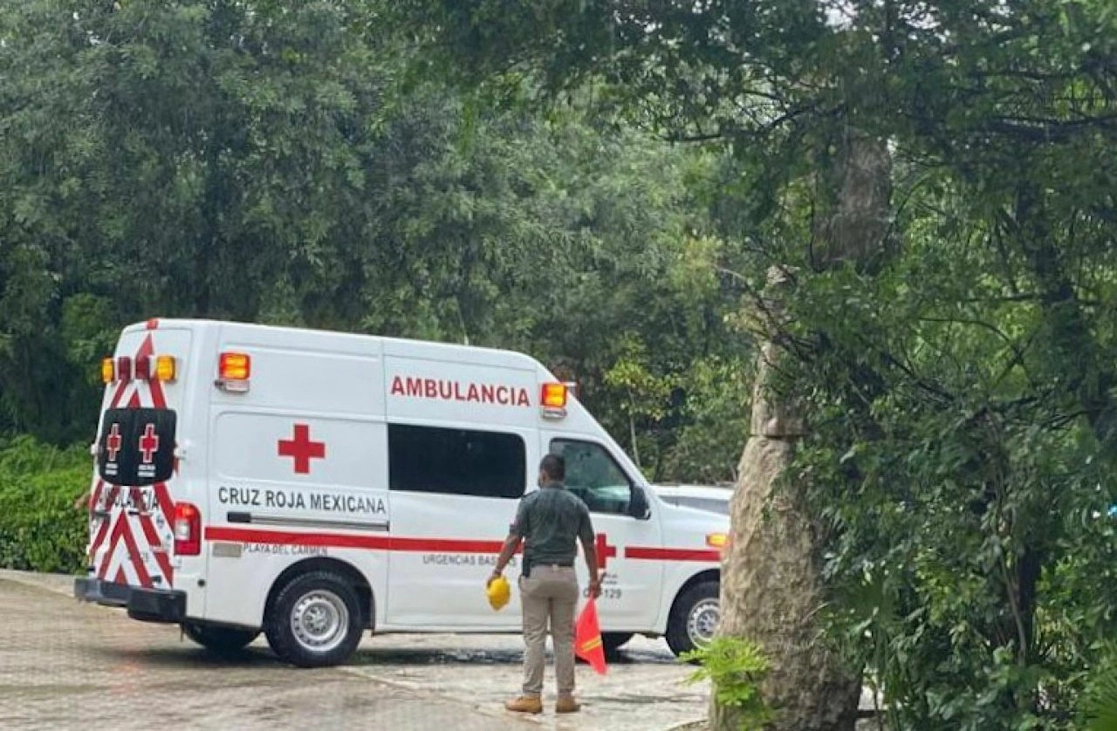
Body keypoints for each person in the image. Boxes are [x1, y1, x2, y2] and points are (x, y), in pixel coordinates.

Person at [487, 453, 602, 715]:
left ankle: (531, 697)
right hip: (566, 576)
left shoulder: (530, 502)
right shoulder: (577, 505)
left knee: (535, 637)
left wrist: (497, 570)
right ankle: (565, 698)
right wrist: (594, 579)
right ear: (562, 476)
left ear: (543, 474)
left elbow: (514, 538)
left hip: (537, 575)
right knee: (564, 639)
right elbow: (588, 545)